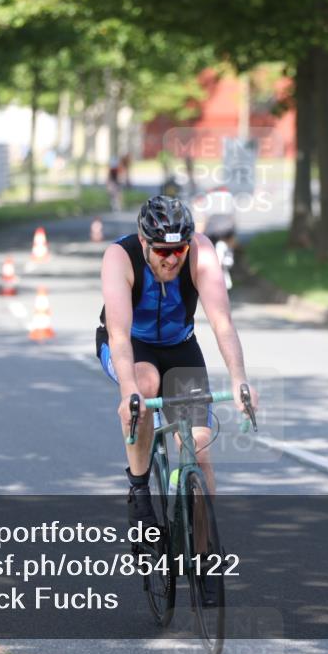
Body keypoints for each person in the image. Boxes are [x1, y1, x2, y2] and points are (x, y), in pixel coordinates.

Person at [97, 196, 257, 528]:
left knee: (198, 451)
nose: (172, 260)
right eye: (162, 251)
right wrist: (129, 394)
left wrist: (240, 380)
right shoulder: (119, 257)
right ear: (143, 241)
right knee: (146, 386)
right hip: (132, 345)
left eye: (179, 250)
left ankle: (204, 559)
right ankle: (139, 490)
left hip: (180, 346)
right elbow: (120, 336)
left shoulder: (201, 252)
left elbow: (222, 322)